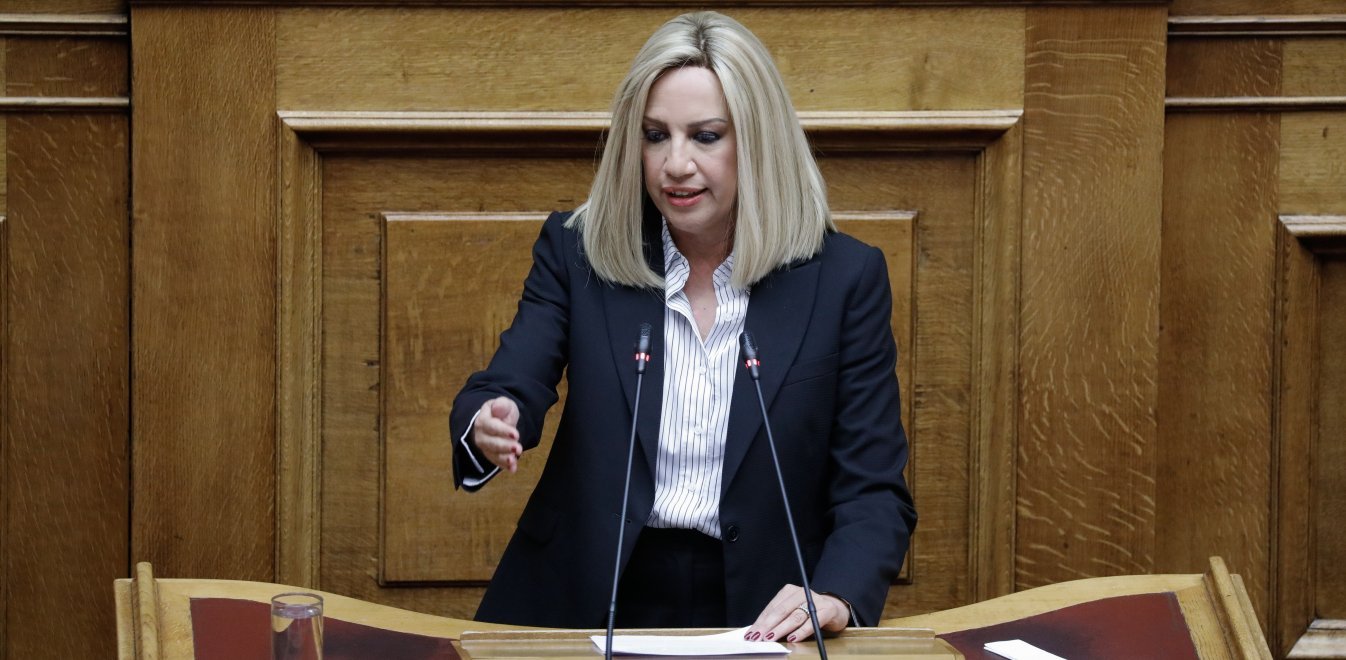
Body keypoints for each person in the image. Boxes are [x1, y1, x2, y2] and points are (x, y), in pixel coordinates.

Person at [449, 10, 916, 644]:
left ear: (758, 141)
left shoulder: (843, 279)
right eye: (655, 136)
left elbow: (874, 490)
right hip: (587, 594)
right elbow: (510, 383)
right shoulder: (578, 252)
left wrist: (835, 592)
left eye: (705, 136)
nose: (675, 163)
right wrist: (490, 420)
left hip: (762, 609)